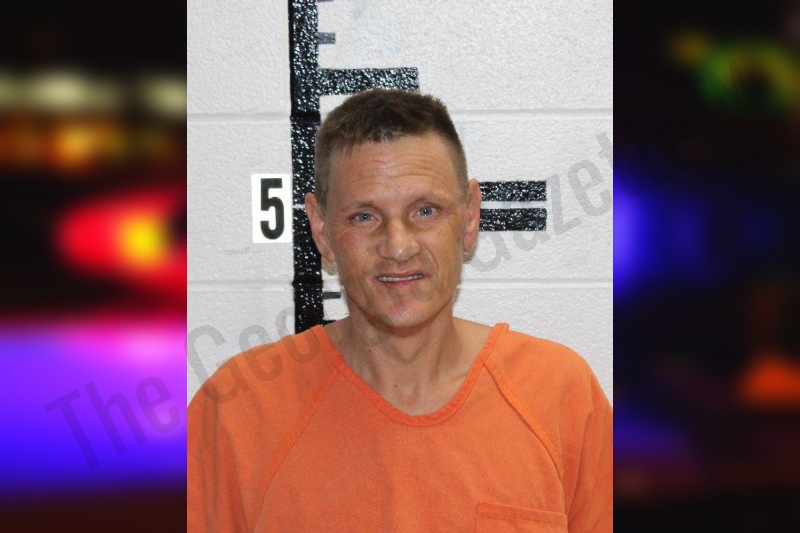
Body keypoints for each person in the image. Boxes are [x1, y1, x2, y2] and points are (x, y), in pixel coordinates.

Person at [187, 89, 612, 532]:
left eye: (425, 211)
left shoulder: (560, 396)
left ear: (469, 218)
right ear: (322, 229)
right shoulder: (238, 412)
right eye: (364, 217)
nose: (398, 246)